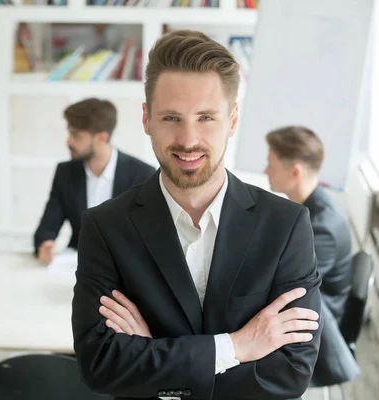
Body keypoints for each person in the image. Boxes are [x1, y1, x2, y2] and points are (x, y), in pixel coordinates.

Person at [72, 30, 323, 400]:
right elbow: (101, 364)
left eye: (206, 117)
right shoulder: (105, 227)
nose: (188, 140)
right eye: (171, 117)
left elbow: (290, 373)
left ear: (233, 120)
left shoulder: (286, 226)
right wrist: (236, 347)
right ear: (146, 119)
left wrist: (156, 360)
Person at [33, 98, 156, 265]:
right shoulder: (65, 173)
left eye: (76, 135)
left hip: (125, 270)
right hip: (76, 266)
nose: (69, 141)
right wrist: (45, 244)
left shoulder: (142, 174)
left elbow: (151, 238)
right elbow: (46, 228)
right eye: (69, 133)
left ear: (102, 138)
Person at [264, 126, 353, 323]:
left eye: (271, 165)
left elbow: (289, 289)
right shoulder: (308, 206)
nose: (265, 171)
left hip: (316, 325)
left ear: (295, 172)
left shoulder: (322, 229)